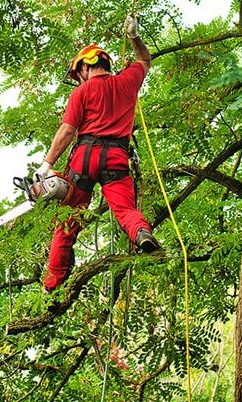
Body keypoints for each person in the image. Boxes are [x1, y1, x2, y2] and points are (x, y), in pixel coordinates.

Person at [34, 15, 161, 292]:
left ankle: (52, 282)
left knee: (69, 220)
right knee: (125, 210)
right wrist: (134, 37)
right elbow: (145, 60)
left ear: (85, 67)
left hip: (84, 158)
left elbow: (67, 132)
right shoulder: (128, 82)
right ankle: (141, 233)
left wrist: (46, 166)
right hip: (115, 158)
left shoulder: (82, 92)